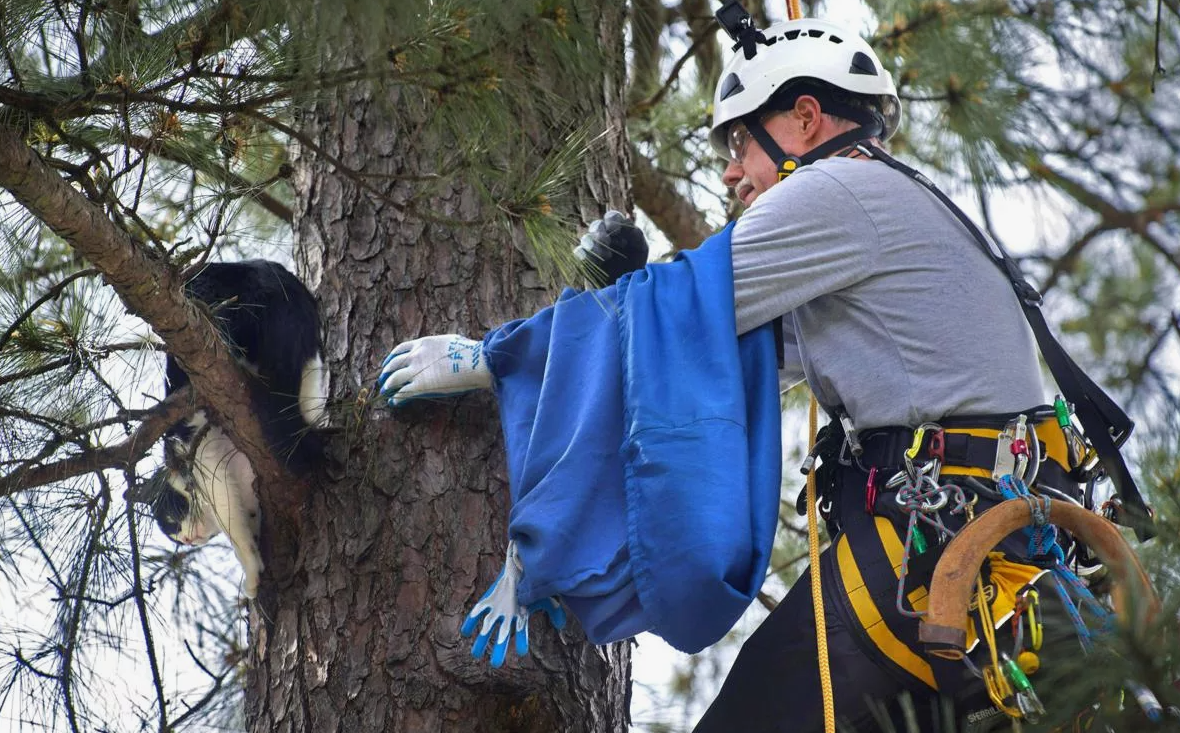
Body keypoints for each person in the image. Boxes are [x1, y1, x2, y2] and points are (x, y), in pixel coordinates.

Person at [378, 8, 1147, 732]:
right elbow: (713, 367)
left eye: (740, 145)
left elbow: (682, 315)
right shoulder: (906, 203)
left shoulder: (835, 189)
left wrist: (494, 356)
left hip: (927, 562)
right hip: (999, 575)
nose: (731, 175)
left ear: (805, 119)